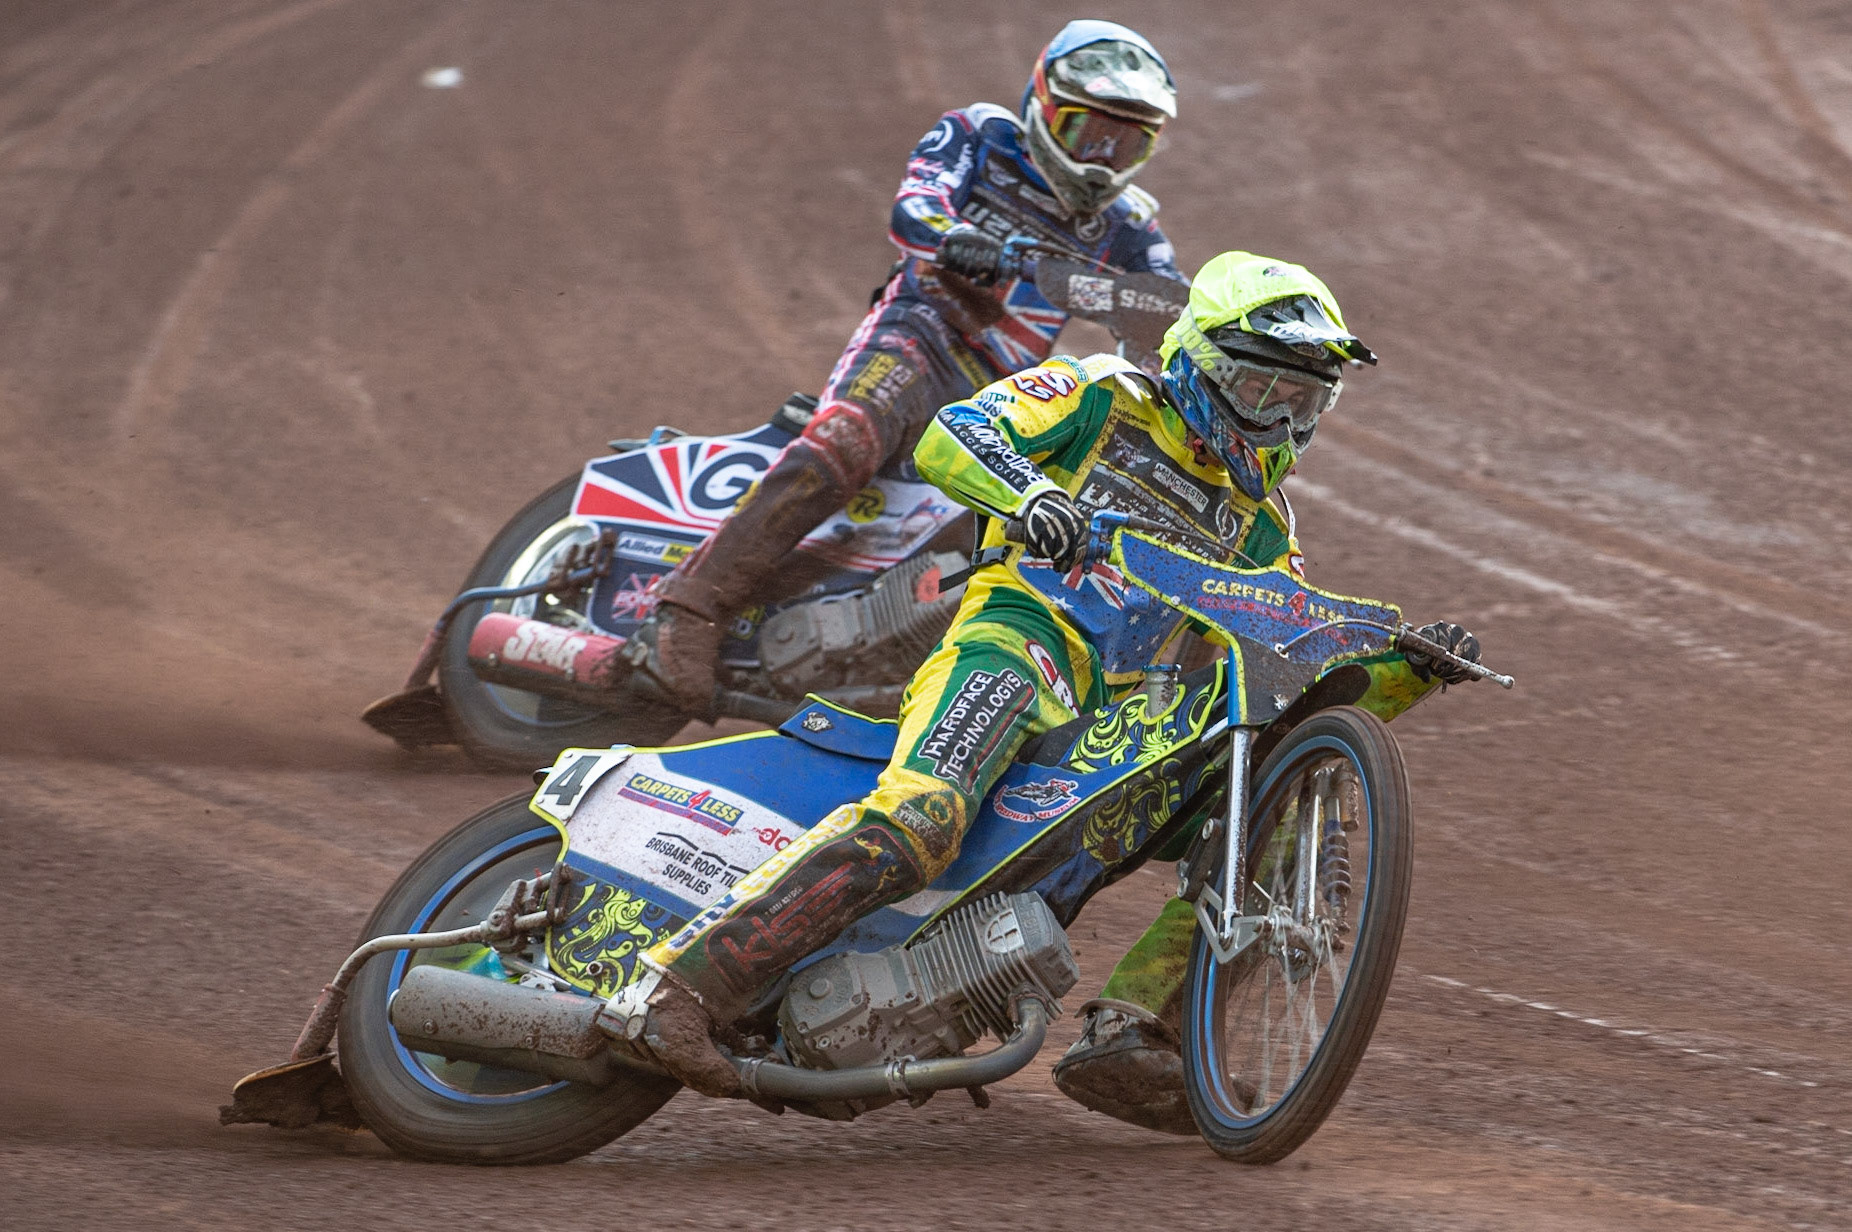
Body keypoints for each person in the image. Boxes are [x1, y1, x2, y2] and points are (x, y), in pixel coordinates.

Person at [604, 251, 1483, 1128]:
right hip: (1017, 643)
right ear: (1200, 362)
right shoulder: (1100, 391)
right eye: (1263, 393)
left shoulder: (1261, 524)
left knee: (1277, 802)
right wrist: (1027, 493)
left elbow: (1292, 649)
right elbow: (954, 434)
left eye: (1304, 404)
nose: (1279, 423)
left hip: (1116, 720)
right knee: (924, 817)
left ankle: (1138, 1031)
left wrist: (1405, 665)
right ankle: (679, 987)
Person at [640, 19, 1186, 711]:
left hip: (1003, 396)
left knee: (1031, 529)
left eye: (1128, 140)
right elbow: (915, 204)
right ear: (1043, 105)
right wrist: (958, 238)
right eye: (1089, 133)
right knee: (850, 434)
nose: (1104, 158)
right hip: (920, 335)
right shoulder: (983, 137)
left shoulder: (1130, 227)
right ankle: (689, 608)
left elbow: (1167, 313)